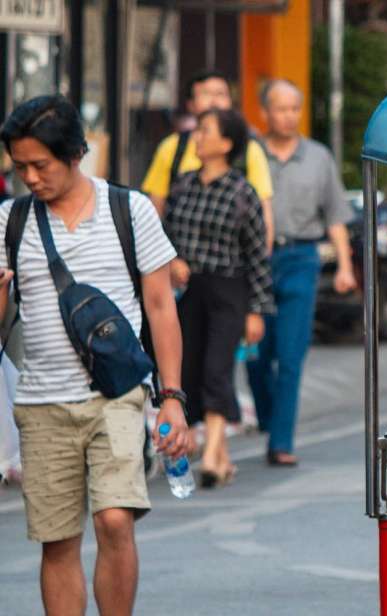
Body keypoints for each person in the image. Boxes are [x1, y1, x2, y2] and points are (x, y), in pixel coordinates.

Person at [0, 95, 190, 615]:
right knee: (58, 540)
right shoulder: (9, 221)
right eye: (20, 168)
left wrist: (171, 397)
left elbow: (160, 307)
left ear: (76, 154)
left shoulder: (130, 210)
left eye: (42, 165)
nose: (32, 178)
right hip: (40, 405)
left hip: (117, 396)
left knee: (113, 519)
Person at [247, 79, 354, 467]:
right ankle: (267, 416)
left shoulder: (318, 157)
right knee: (256, 353)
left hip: (301, 259)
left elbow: (336, 217)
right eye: (281, 108)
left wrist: (343, 265)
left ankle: (280, 441)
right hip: (255, 260)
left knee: (291, 356)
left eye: (295, 108)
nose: (289, 116)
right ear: (265, 112)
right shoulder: (249, 154)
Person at [164, 108, 273, 487]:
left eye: (205, 131)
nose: (197, 136)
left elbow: (258, 255)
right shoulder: (182, 186)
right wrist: (173, 259)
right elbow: (163, 235)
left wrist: (257, 311)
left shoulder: (243, 193)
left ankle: (211, 455)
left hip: (230, 290)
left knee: (217, 368)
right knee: (191, 368)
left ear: (226, 143)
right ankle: (221, 457)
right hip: (188, 289)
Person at [142, 69, 274, 248]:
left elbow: (263, 214)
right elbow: (156, 209)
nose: (214, 101)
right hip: (179, 263)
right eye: (205, 94)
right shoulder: (172, 147)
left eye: (221, 94)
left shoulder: (249, 149)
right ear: (191, 104)